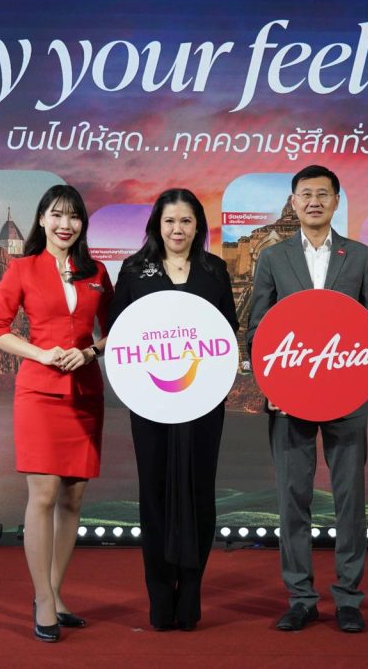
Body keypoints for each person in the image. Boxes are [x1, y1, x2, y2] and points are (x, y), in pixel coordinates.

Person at [246, 164, 368, 633]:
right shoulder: (273, 256)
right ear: (293, 201)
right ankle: (301, 597)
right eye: (305, 194)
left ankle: (348, 598)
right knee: (293, 499)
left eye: (323, 194)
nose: (314, 202)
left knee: (350, 498)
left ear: (336, 201)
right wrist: (274, 385)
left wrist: (357, 368)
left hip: (347, 396)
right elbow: (258, 328)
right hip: (290, 399)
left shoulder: (360, 256)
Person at [0, 184, 112, 643]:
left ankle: (56, 594)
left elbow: (117, 330)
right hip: (38, 393)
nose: (65, 224)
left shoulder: (97, 271)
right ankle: (41, 599)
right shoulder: (22, 268)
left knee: (73, 499)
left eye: (73, 216)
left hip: (86, 394)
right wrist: (41, 354)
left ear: (82, 224)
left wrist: (91, 352)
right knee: (42, 495)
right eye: (56, 215)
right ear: (41, 220)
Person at [108, 188, 238, 631]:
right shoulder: (134, 270)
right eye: (169, 221)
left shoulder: (214, 271)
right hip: (149, 402)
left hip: (204, 403)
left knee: (200, 493)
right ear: (156, 226)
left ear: (197, 225)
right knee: (155, 493)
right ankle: (161, 597)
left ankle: (192, 594)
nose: (177, 229)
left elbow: (227, 335)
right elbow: (118, 334)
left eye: (185, 221)